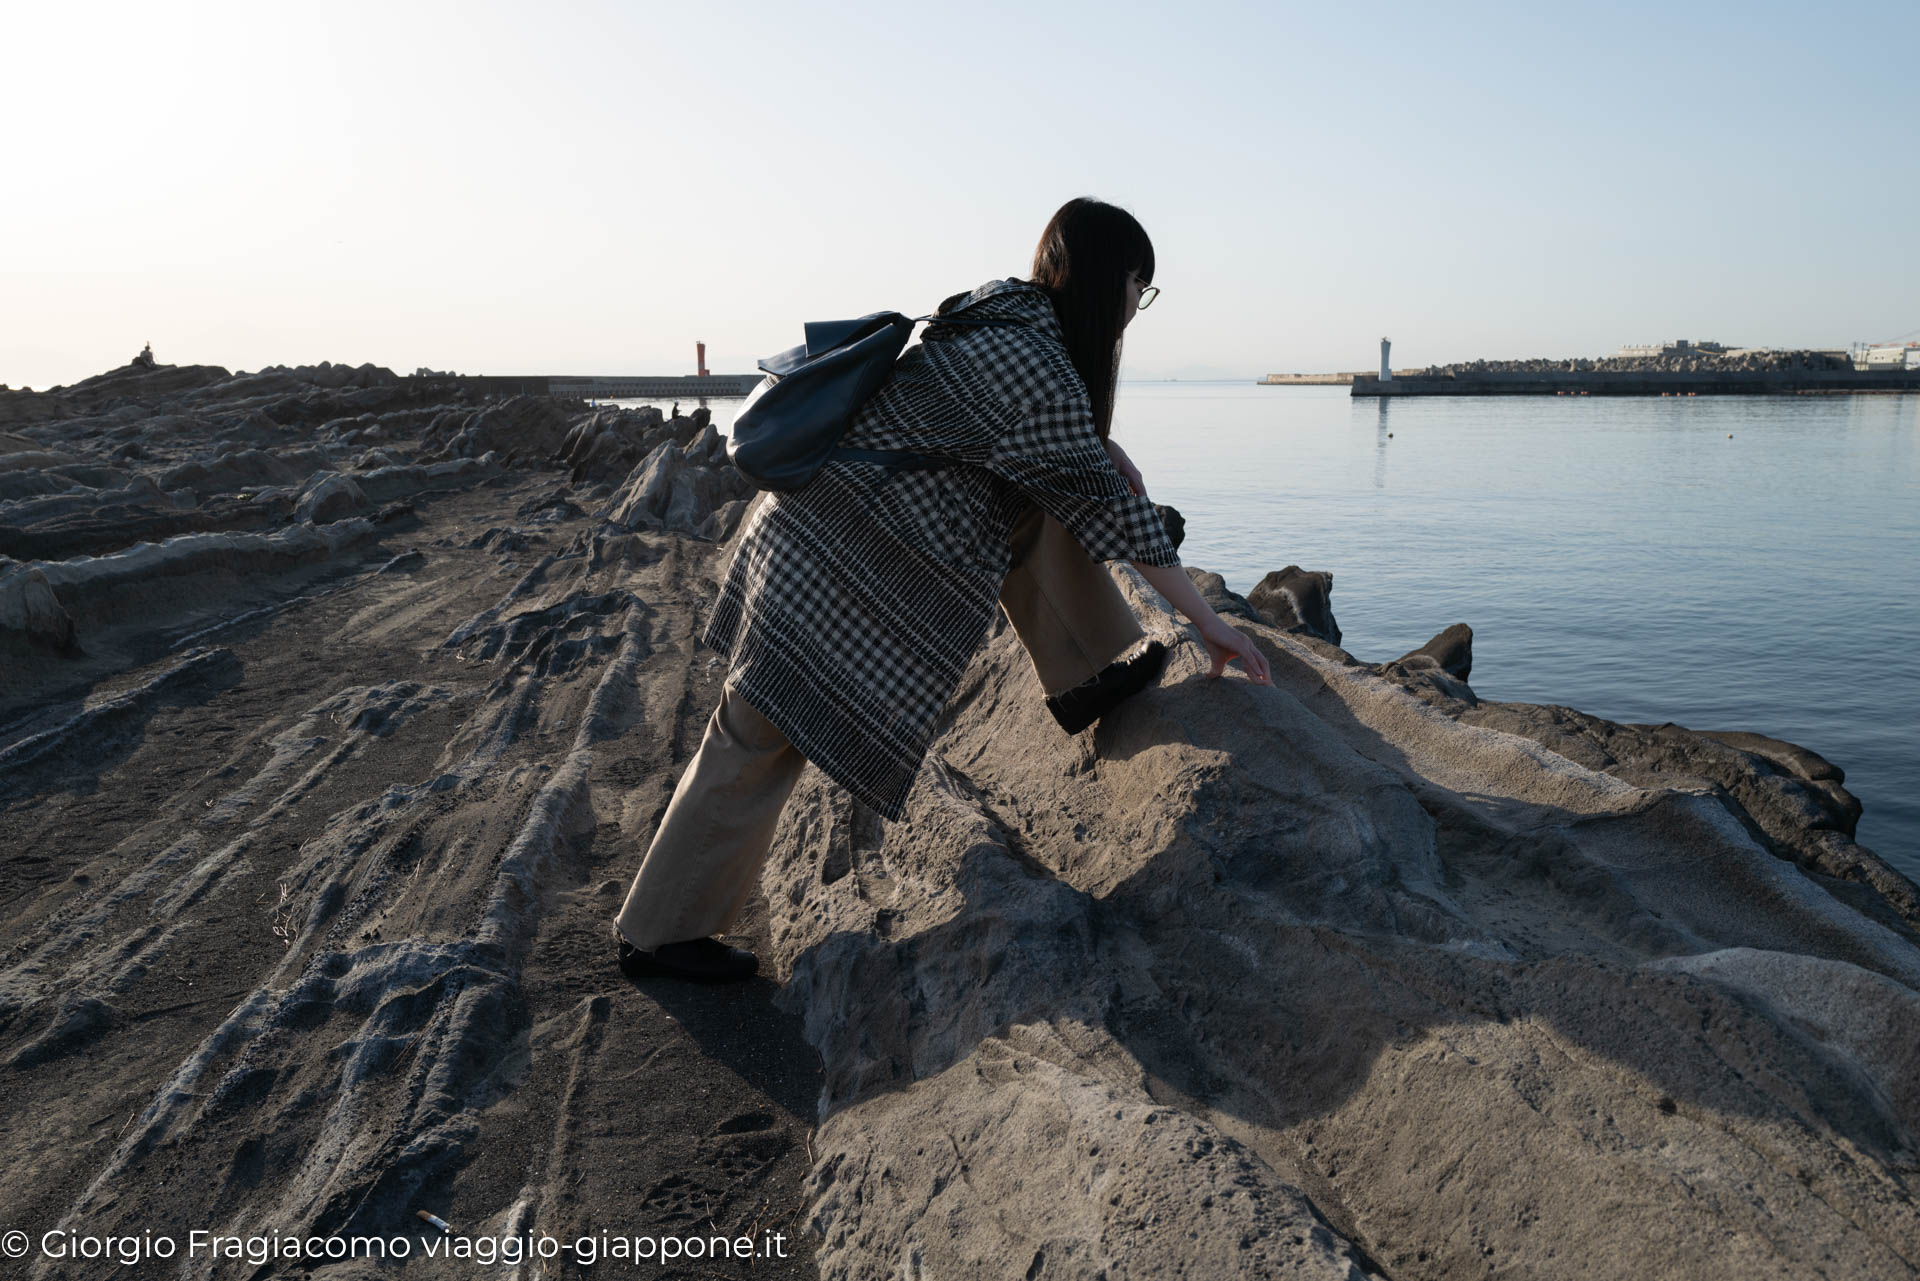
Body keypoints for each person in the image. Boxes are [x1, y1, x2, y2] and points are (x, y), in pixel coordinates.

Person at [613, 197, 1272, 981]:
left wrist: (1099, 441)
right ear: (1105, 279)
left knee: (757, 724)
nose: (1138, 303)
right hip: (829, 561)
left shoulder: (1008, 319)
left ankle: (1090, 673)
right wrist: (1206, 622)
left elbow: (1024, 449)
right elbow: (1111, 510)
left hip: (818, 533)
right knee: (755, 733)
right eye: (1139, 282)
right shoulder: (1037, 369)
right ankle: (659, 936)